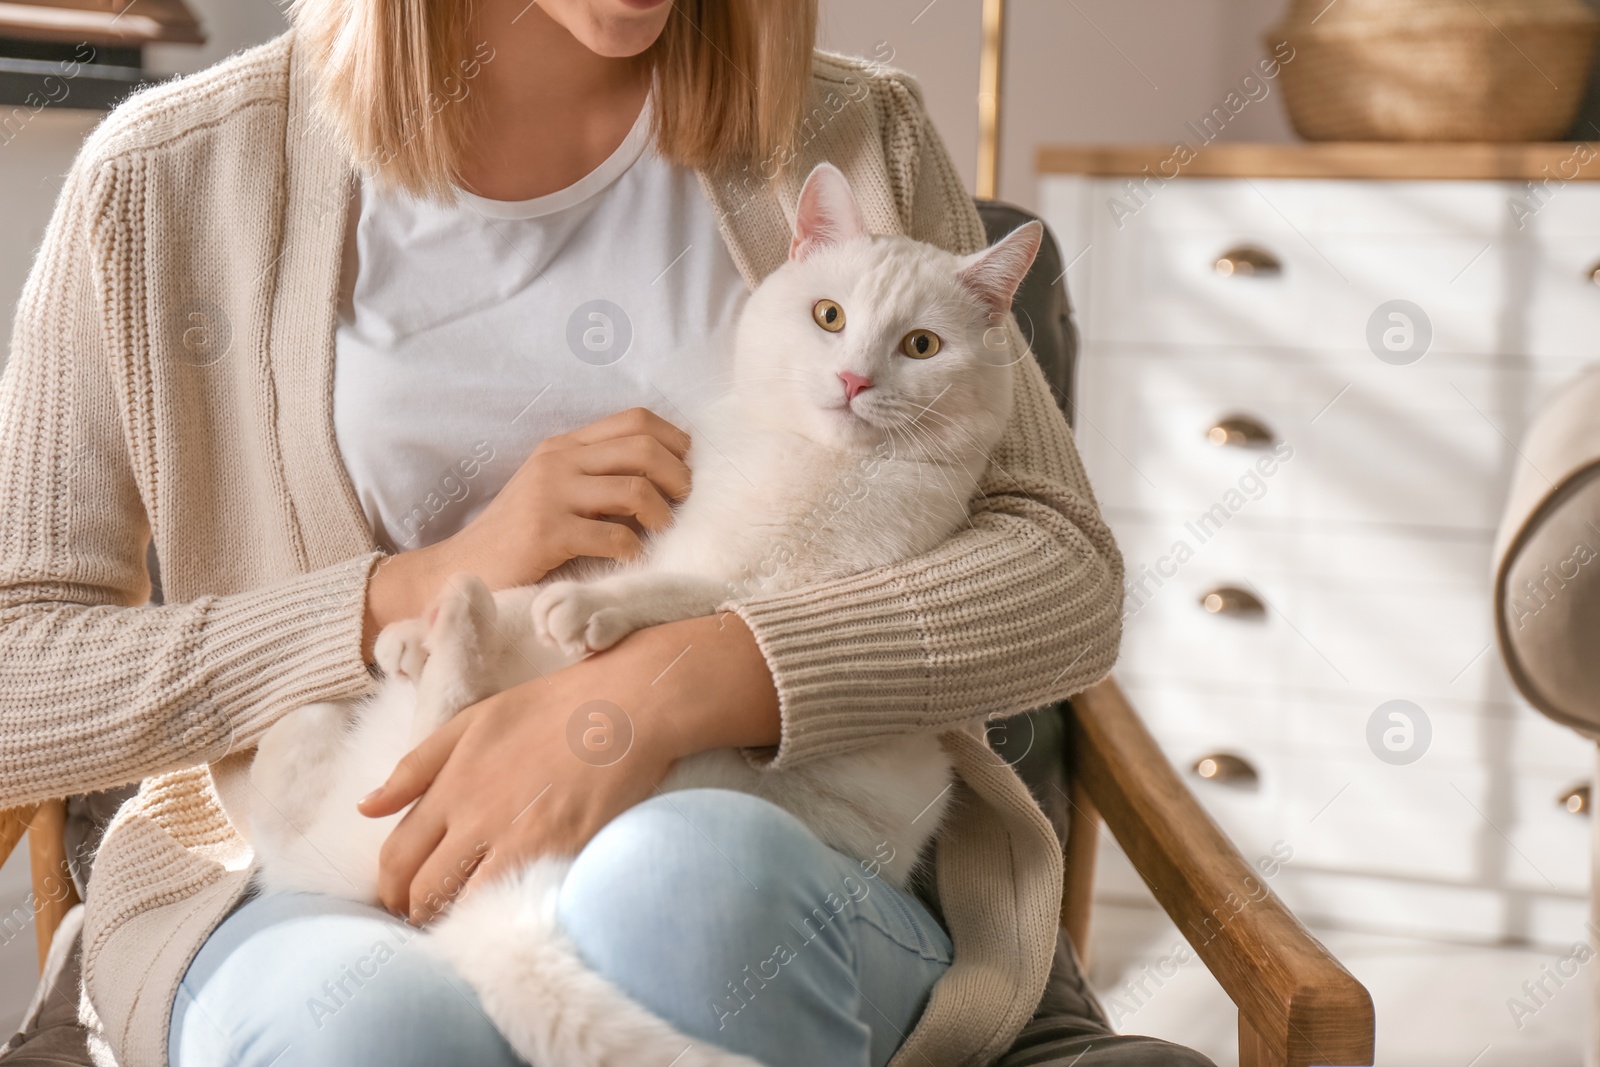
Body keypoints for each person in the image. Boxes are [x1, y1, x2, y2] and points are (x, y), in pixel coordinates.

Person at [0, 1, 1207, 1064]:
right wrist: (413, 586)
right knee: (366, 1030)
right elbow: (18, 674)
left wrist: (668, 690)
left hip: (784, 840)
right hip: (339, 863)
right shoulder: (165, 174)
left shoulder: (852, 136)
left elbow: (1062, 569)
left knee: (688, 887)